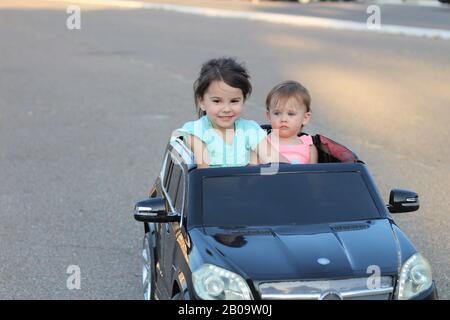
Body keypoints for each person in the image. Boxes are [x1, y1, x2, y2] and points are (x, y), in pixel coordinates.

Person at [175, 57, 287, 168]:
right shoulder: (196, 132)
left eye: (234, 101)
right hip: (213, 185)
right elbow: (205, 175)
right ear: (202, 102)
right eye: (217, 101)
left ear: (243, 100)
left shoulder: (250, 130)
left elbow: (277, 161)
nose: (226, 109)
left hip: (246, 185)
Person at [265, 80, 318, 164]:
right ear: (269, 116)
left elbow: (313, 176)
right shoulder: (263, 142)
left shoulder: (309, 147)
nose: (283, 119)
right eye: (277, 113)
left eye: (291, 114)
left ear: (305, 118)